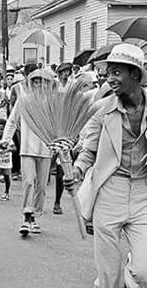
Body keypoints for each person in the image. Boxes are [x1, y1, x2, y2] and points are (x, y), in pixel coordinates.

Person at [74, 44, 147, 288]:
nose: (109, 78)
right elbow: (89, 149)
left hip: (143, 193)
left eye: (117, 73)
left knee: (143, 273)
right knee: (107, 275)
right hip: (109, 188)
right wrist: (78, 168)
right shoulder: (101, 110)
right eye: (108, 73)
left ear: (135, 74)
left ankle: (130, 273)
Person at [2, 69, 53, 236]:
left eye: (42, 82)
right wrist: (6, 140)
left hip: (46, 149)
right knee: (29, 182)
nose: (38, 85)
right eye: (36, 82)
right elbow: (12, 121)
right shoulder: (24, 101)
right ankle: (27, 216)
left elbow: (59, 126)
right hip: (27, 149)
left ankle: (35, 217)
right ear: (31, 84)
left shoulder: (53, 103)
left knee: (41, 186)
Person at [0, 119, 14, 201]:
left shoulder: (8, 139)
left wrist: (9, 149)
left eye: (2, 129)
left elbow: (14, 148)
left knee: (7, 178)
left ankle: (7, 192)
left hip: (7, 163)